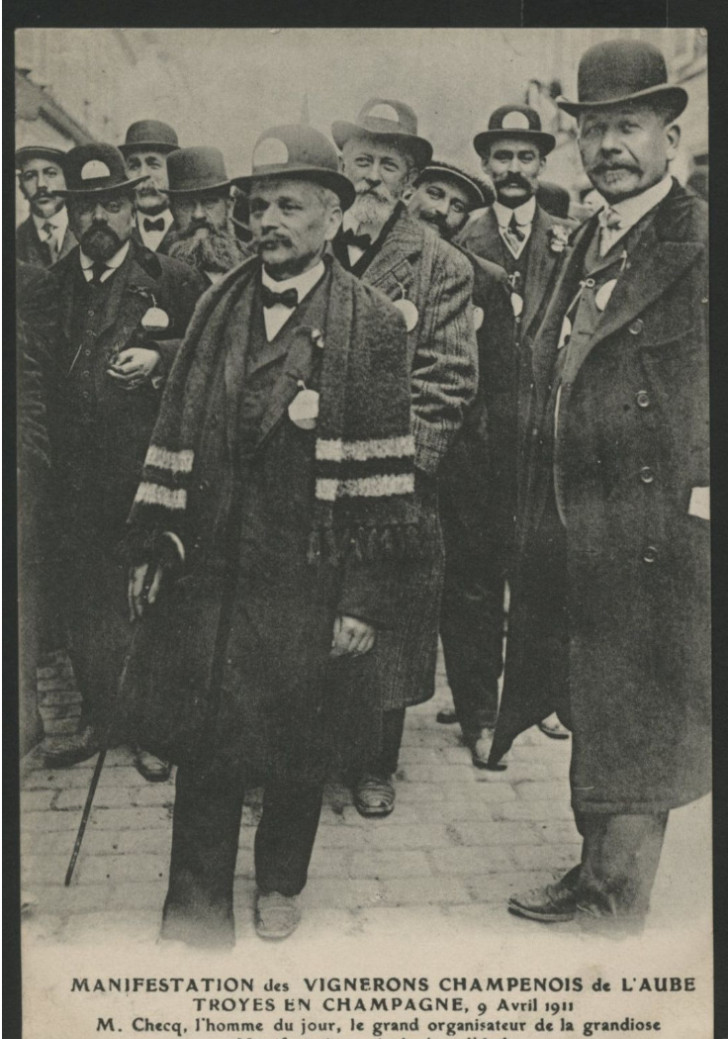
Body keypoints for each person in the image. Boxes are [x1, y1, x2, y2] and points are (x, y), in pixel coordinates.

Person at [125, 124, 416, 946]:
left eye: (291, 204)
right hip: (214, 566)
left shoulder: (371, 324)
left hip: (309, 568)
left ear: (333, 214)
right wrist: (155, 537)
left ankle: (282, 879)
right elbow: (176, 423)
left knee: (296, 740)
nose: (269, 221)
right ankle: (194, 910)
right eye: (259, 205)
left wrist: (361, 598)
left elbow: (389, 476)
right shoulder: (219, 306)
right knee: (207, 738)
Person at [493, 39, 709, 929]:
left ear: (667, 132)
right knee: (590, 703)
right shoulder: (583, 237)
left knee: (639, 720)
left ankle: (617, 910)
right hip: (568, 525)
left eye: (627, 127)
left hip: (654, 534)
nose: (609, 146)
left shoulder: (698, 242)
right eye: (593, 130)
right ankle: (595, 873)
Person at [22, 142, 207, 781]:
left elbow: (211, 358)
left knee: (153, 598)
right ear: (69, 215)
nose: (99, 219)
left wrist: (161, 360)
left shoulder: (175, 280)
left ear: (133, 207)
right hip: (72, 480)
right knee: (84, 603)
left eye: (112, 204)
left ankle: (155, 731)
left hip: (146, 475)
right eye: (86, 207)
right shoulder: (49, 288)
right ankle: (106, 719)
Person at [331, 99, 478, 816]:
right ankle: (301, 749)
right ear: (340, 166)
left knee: (386, 627)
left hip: (395, 478)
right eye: (362, 160)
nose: (373, 177)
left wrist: (399, 472)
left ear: (413, 179)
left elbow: (448, 379)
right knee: (307, 612)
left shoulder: (441, 264)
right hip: (308, 468)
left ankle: (375, 763)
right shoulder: (309, 240)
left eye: (390, 164)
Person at [456, 104, 576, 744]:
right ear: (484, 165)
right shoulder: (461, 238)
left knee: (542, 571)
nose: (512, 169)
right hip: (478, 439)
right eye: (501, 157)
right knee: (474, 579)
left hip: (545, 438)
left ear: (541, 165)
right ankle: (478, 711)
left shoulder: (571, 238)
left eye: (524, 157)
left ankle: (541, 698)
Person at [406, 161, 515, 767]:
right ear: (410, 194)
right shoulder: (371, 262)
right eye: (433, 194)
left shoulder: (485, 279)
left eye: (456, 206)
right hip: (391, 451)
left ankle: (482, 717)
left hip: (463, 462)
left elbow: (501, 383)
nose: (441, 211)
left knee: (471, 589)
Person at [165, 146, 249, 283]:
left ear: (229, 205)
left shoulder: (253, 265)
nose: (198, 215)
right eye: (186, 204)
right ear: (172, 211)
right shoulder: (157, 273)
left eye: (209, 202)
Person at [120, 120, 180, 254]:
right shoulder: (117, 234)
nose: (143, 175)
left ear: (173, 172)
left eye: (153, 165)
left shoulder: (188, 233)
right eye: (134, 166)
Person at [16, 146, 77, 267]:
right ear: (21, 188)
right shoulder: (14, 240)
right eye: (30, 176)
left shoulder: (87, 229)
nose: (41, 185)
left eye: (51, 174)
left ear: (68, 181)